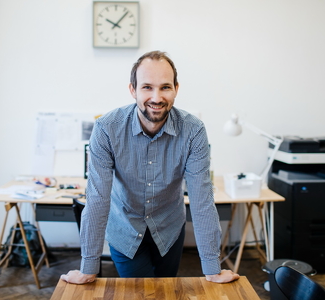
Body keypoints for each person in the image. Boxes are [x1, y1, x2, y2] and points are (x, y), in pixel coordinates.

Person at [61, 51, 239, 284]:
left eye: (165, 87)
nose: (156, 97)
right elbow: (97, 198)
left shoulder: (193, 130)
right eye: (147, 87)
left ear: (176, 88)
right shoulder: (106, 129)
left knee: (165, 290)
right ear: (133, 90)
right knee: (141, 293)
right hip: (124, 230)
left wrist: (212, 268)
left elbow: (202, 198)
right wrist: (88, 267)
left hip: (170, 230)